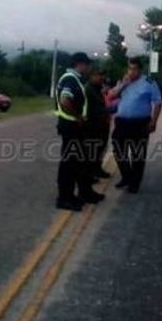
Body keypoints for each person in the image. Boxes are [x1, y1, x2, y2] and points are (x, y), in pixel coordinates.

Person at [54, 52, 105, 211]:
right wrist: (78, 117)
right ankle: (64, 198)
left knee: (77, 163)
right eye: (87, 64)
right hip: (70, 126)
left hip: (72, 127)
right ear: (80, 64)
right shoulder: (70, 79)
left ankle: (79, 193)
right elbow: (64, 101)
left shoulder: (74, 79)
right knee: (69, 165)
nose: (88, 67)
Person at [107, 57, 162, 193]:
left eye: (134, 69)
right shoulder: (124, 81)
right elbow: (111, 95)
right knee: (118, 150)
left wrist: (154, 121)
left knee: (138, 154)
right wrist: (123, 84)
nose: (131, 72)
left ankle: (134, 183)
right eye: (129, 68)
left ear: (140, 70)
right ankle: (127, 176)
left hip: (140, 123)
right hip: (122, 122)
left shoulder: (149, 82)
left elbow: (158, 102)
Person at [85, 66, 111, 179]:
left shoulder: (97, 88)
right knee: (92, 151)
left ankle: (97, 169)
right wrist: (110, 109)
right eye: (98, 75)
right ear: (91, 76)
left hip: (101, 125)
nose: (101, 77)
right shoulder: (88, 89)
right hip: (93, 125)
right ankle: (90, 174)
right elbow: (95, 108)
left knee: (100, 149)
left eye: (102, 75)